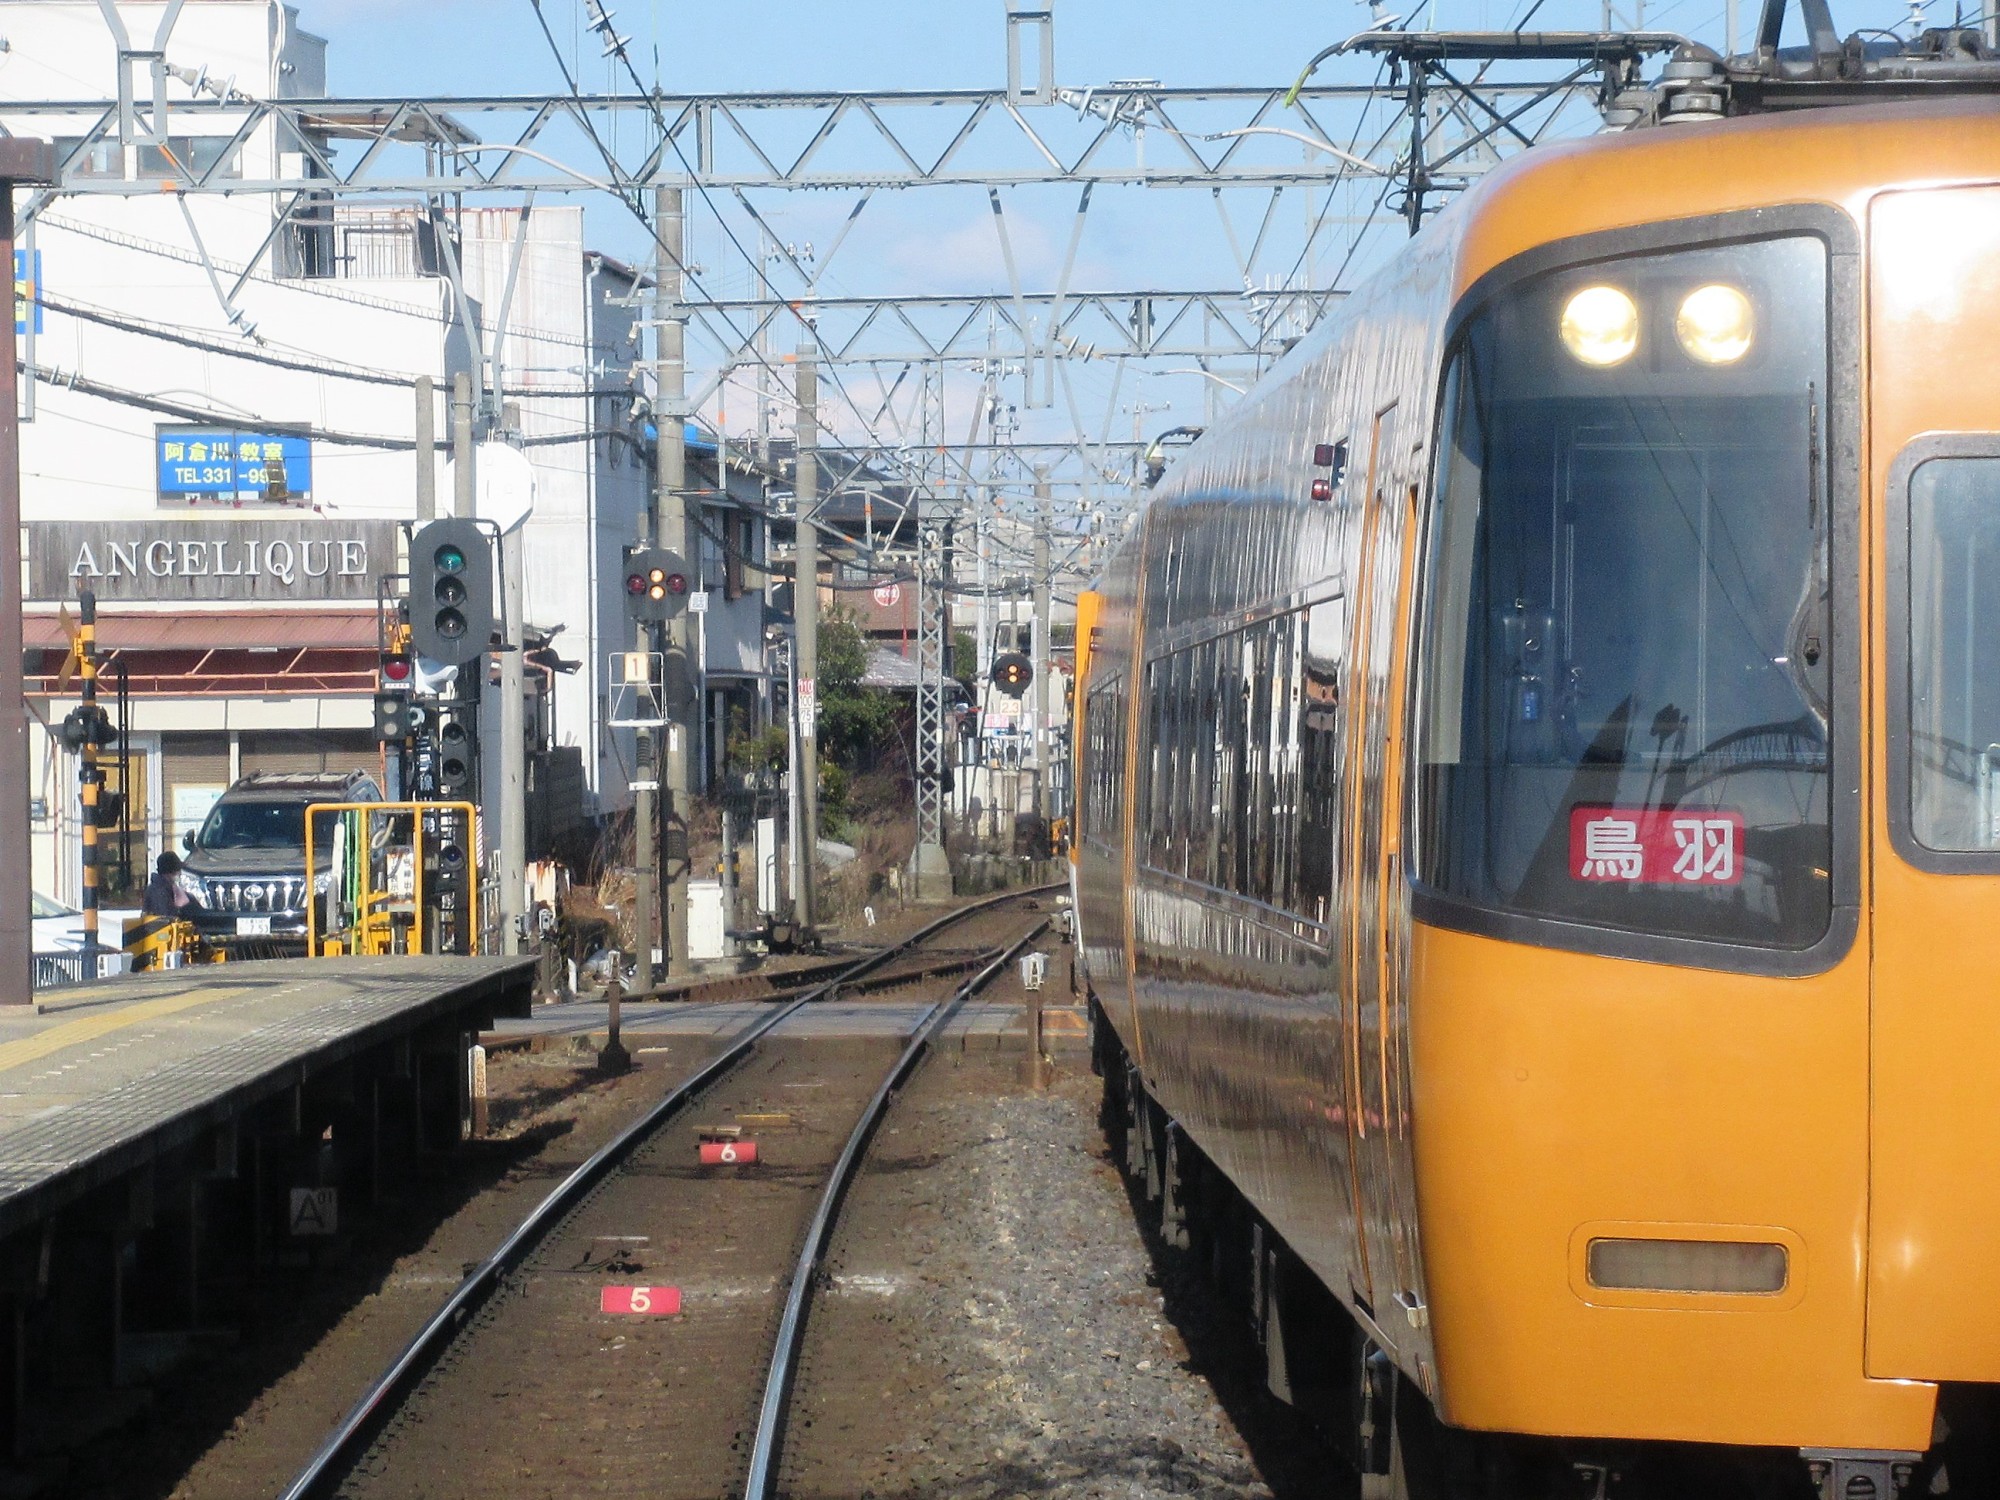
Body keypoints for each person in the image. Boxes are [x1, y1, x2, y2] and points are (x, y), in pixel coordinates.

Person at [142, 851, 191, 919]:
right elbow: (164, 917)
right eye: (177, 870)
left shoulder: (167, 887)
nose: (180, 873)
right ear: (169, 872)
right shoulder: (158, 890)